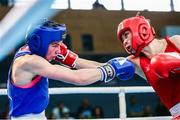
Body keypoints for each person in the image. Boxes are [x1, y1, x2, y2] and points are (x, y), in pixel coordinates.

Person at [7, 19, 135, 119]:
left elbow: (78, 62)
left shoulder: (37, 49)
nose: (58, 50)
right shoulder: (29, 61)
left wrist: (109, 65)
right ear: (38, 42)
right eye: (54, 45)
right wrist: (112, 70)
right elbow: (77, 78)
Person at [116, 14, 180, 119]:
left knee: (159, 62)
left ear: (143, 30)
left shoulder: (175, 42)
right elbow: (103, 68)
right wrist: (78, 61)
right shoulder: (135, 62)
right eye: (122, 40)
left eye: (126, 35)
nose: (125, 42)